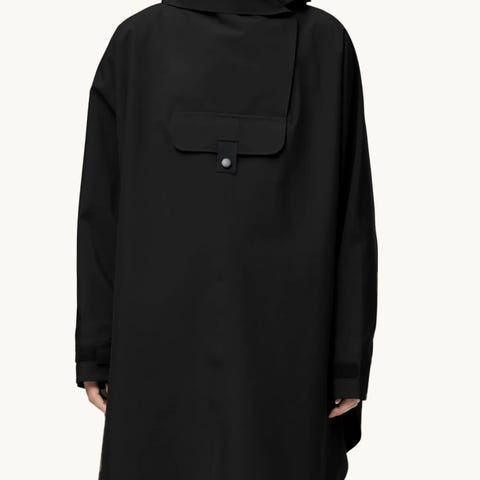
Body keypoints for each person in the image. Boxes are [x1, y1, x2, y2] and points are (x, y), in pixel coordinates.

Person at [75, 1, 378, 479]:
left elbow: (100, 211)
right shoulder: (326, 42)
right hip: (289, 356)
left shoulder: (136, 41)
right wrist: (348, 364)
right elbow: (353, 220)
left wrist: (96, 350)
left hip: (158, 352)